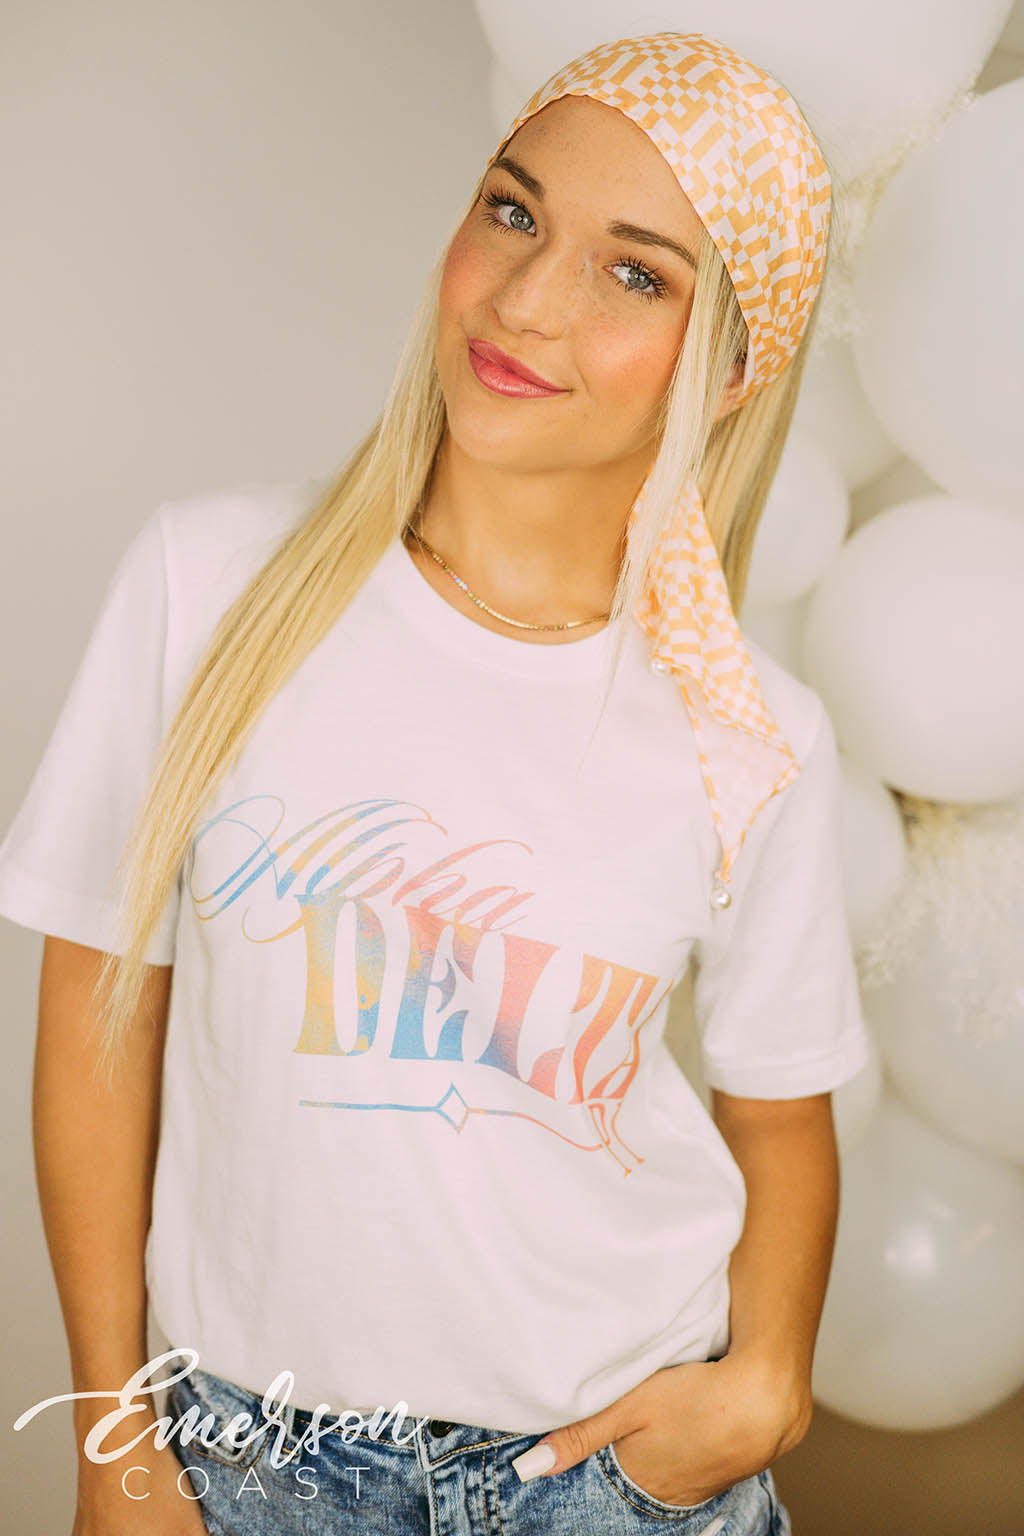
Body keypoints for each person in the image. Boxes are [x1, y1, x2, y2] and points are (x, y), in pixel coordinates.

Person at [0, 30, 871, 1536]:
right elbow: (96, 1014)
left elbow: (781, 1111)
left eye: (636, 273)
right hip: (253, 1466)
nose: (526, 301)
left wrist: (769, 1379)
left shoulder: (752, 736)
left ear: (731, 369)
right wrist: (115, 1440)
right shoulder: (210, 585)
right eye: (514, 211)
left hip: (610, 1478)